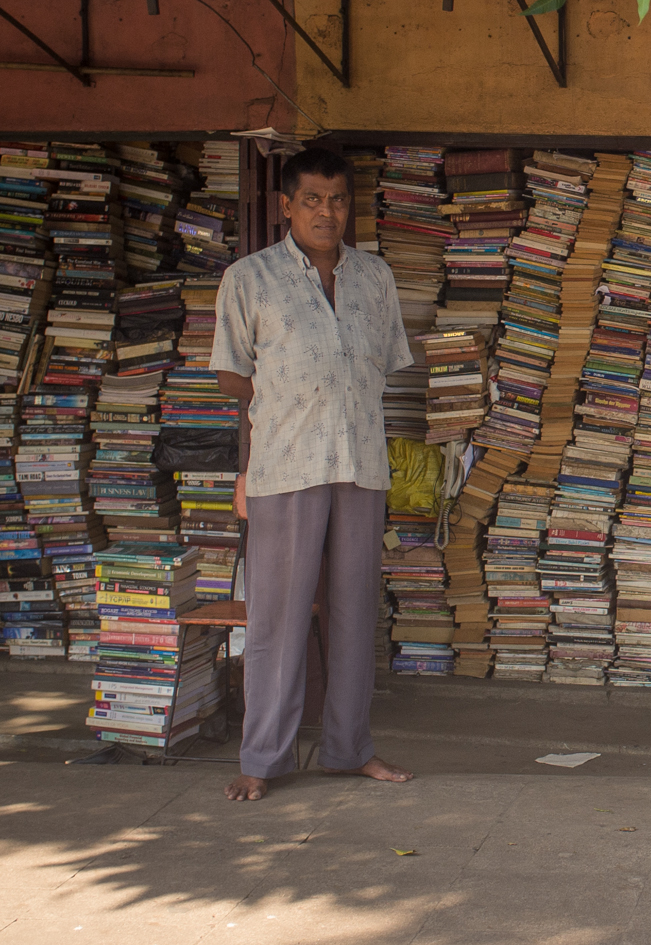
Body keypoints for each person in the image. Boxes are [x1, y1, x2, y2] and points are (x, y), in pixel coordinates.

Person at [211, 148, 415, 801]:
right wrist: (275, 412)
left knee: (355, 613)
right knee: (277, 617)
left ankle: (348, 749)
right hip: (286, 465)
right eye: (313, 200)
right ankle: (263, 758)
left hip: (360, 462)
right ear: (287, 206)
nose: (327, 212)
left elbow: (381, 363)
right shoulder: (251, 279)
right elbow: (231, 371)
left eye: (337, 200)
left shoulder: (374, 278)